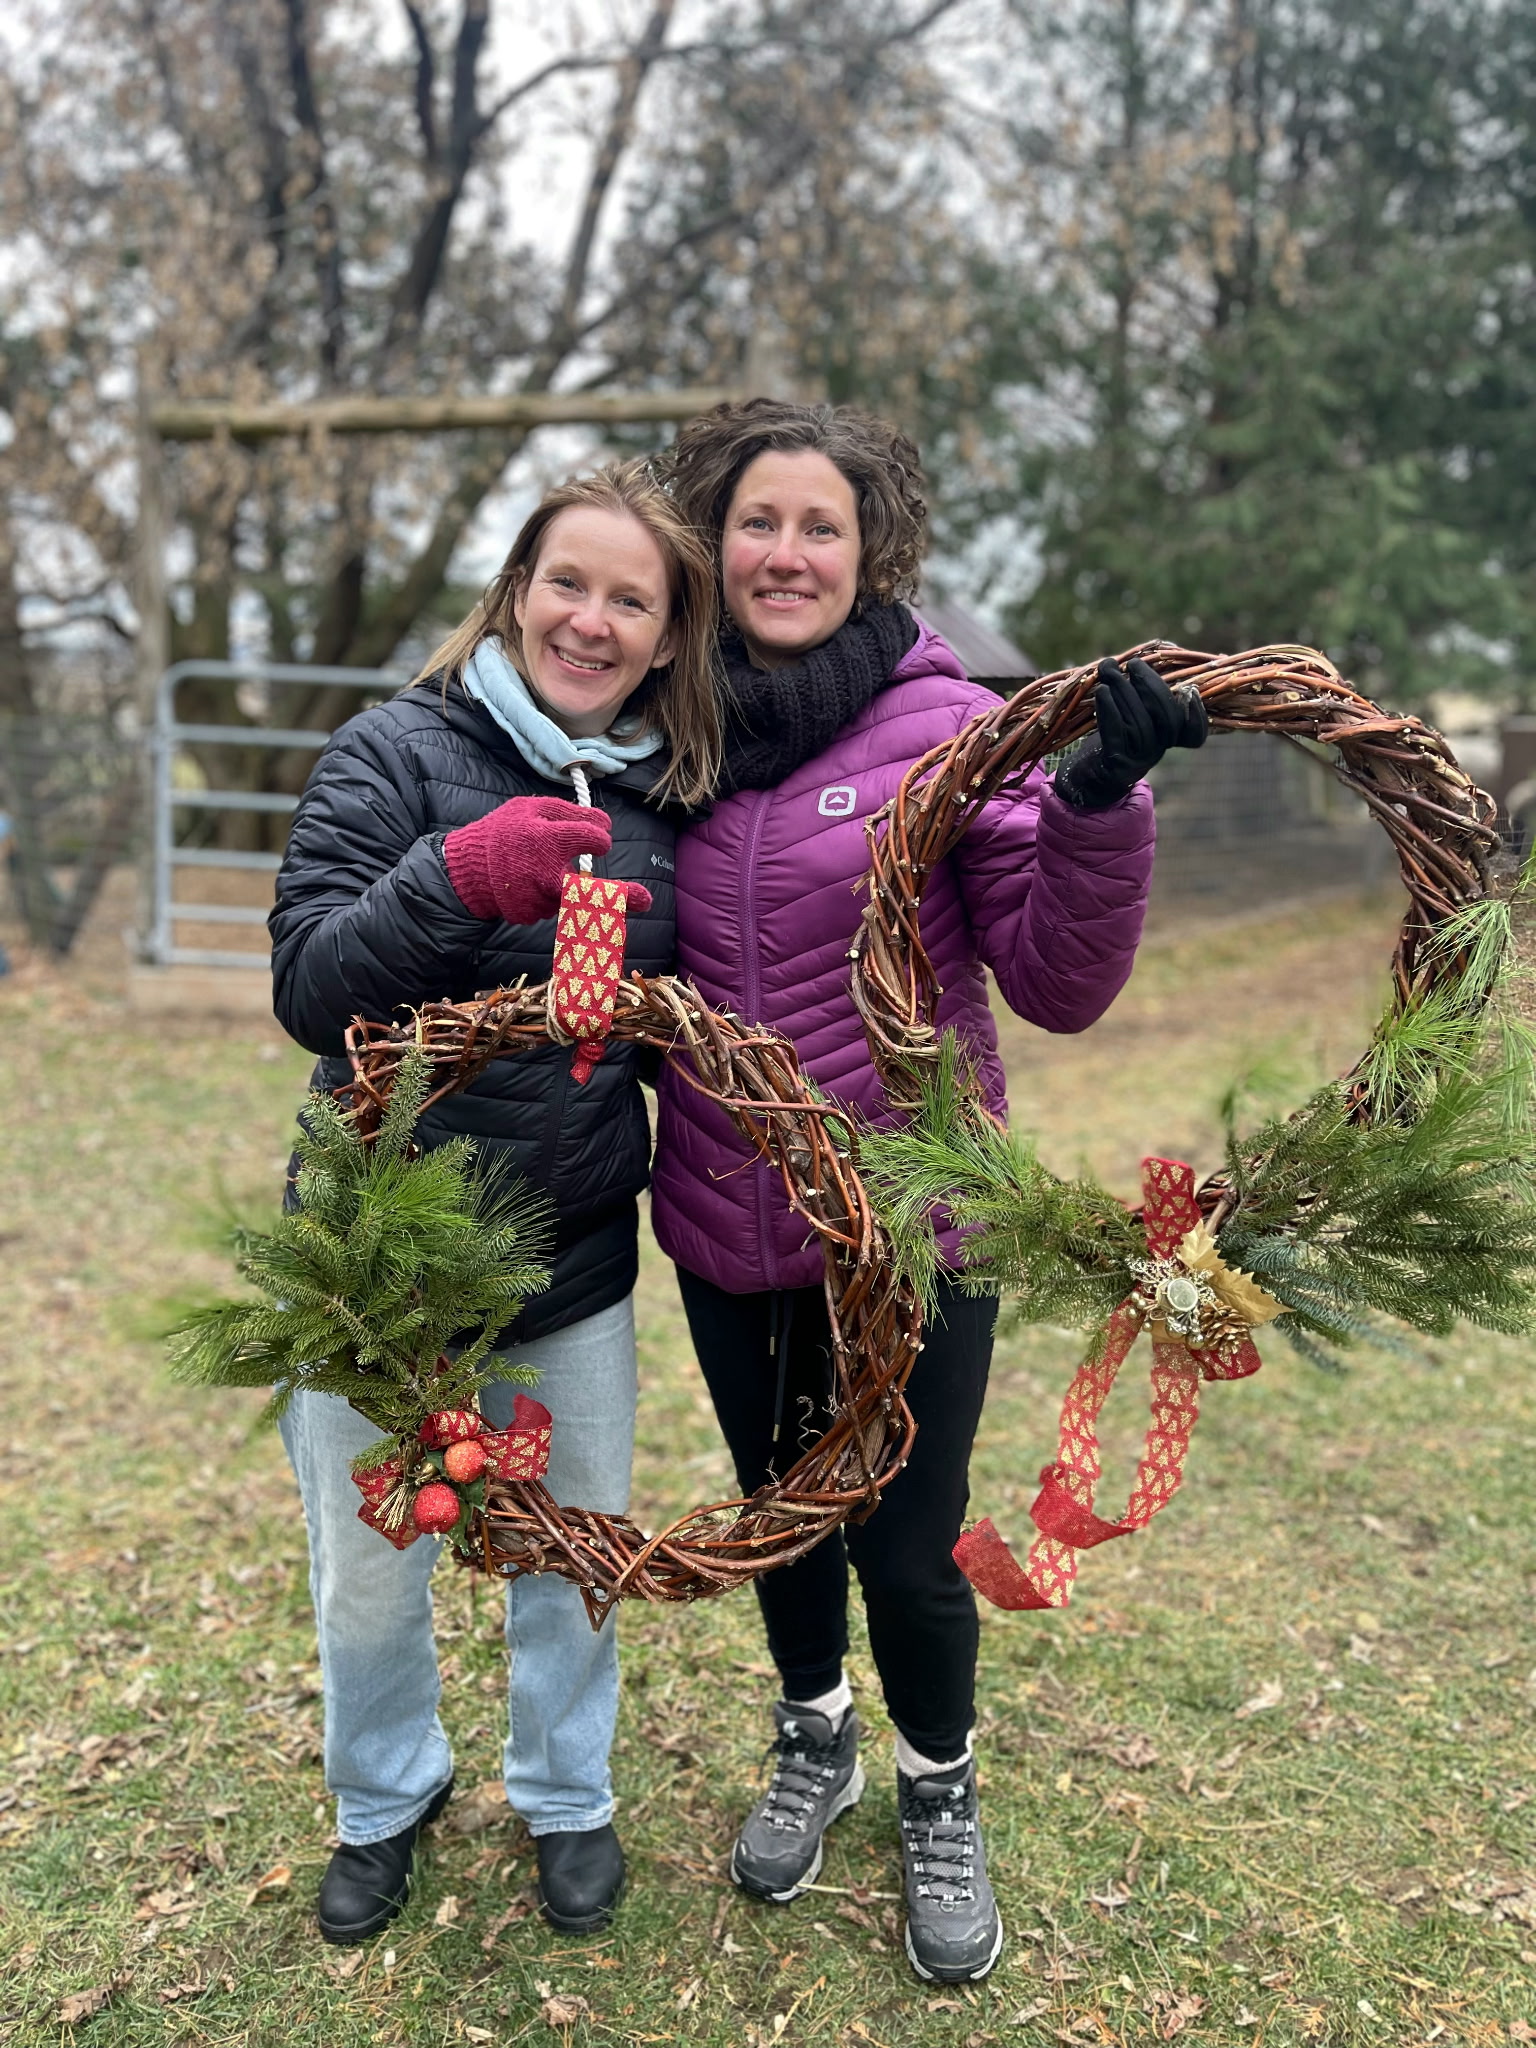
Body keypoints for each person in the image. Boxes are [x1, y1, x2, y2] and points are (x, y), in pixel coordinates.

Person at [651, 399, 1206, 1985]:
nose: (786, 551)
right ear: (716, 540)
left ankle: (938, 1789)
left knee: (907, 1541)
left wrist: (1096, 801)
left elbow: (1052, 975)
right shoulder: (668, 730)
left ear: (867, 548)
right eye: (759, 521)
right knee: (782, 1520)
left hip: (918, 1225)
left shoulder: (946, 726)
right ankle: (812, 1735)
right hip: (720, 1215)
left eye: (819, 525)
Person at [268, 461, 719, 1945]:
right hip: (379, 1272)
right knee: (374, 1576)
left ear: (667, 637)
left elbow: (690, 1019)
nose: (590, 621)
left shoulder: (671, 798)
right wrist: (458, 872)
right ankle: (383, 1801)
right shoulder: (390, 750)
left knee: (570, 1558)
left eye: (629, 600)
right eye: (568, 582)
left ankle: (566, 1795)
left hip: (570, 1265)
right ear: (518, 587)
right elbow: (309, 987)